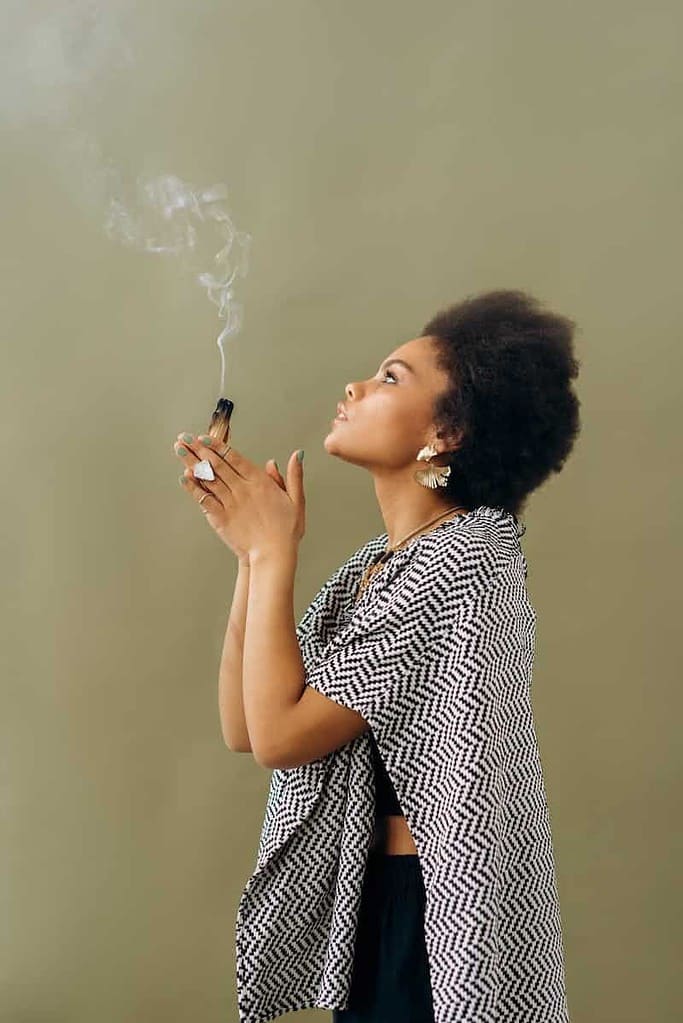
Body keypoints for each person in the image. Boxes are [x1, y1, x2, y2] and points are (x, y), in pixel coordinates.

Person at [176, 287, 580, 1023]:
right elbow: (245, 723)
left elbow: (280, 738)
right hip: (374, 903)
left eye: (391, 378)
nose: (355, 386)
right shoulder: (379, 565)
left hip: (436, 916)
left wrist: (271, 553)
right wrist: (253, 555)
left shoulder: (465, 557)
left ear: (449, 430)